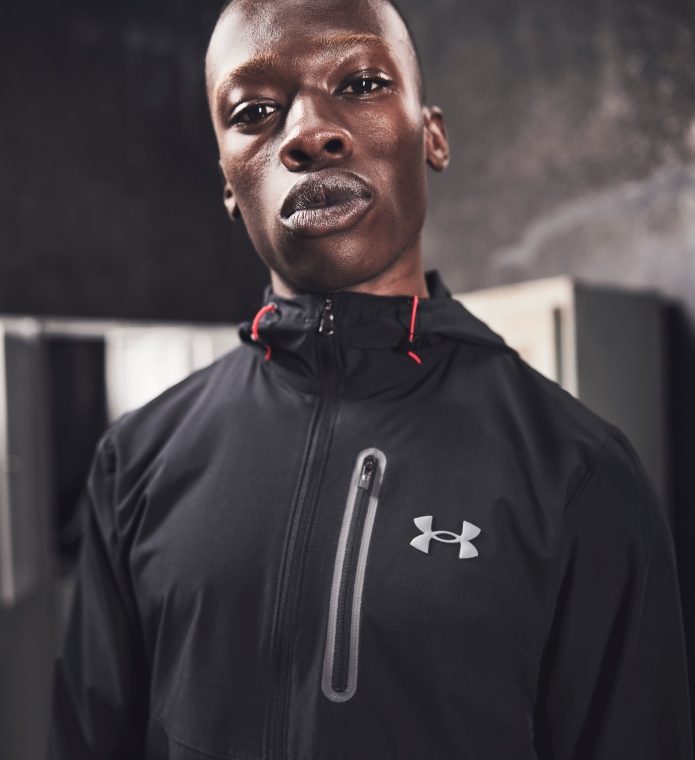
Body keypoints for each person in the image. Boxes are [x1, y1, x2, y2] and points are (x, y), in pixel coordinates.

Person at [47, 0, 694, 758]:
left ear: (432, 135)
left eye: (359, 84)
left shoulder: (577, 475)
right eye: (255, 111)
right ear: (227, 181)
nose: (308, 133)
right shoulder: (136, 462)